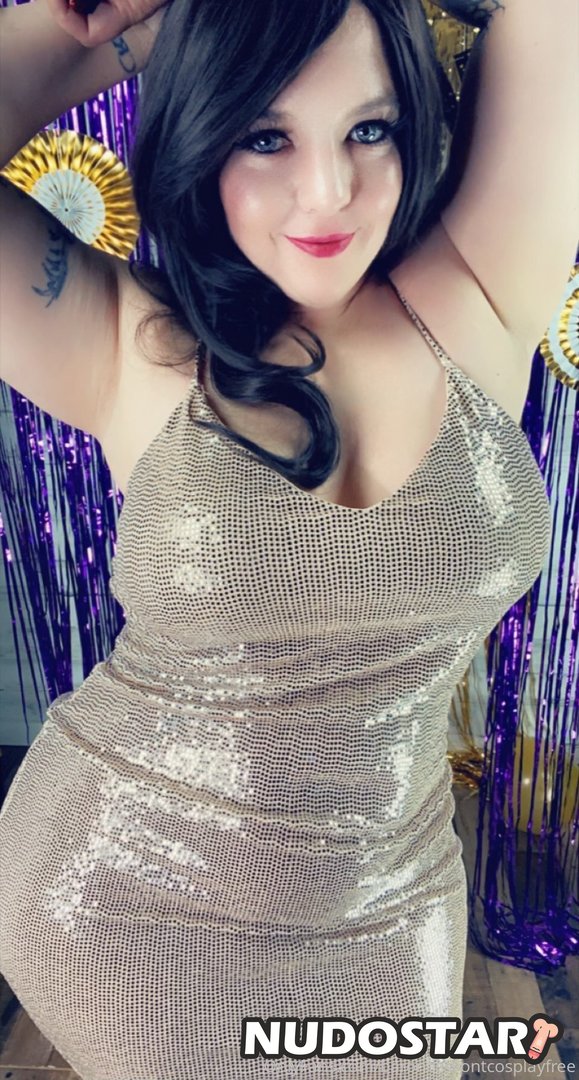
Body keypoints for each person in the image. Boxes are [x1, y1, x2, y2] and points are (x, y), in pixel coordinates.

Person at [0, 0, 575, 1076]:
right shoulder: (126, 341)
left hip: (392, 903)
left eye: (370, 130)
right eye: (266, 136)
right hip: (123, 899)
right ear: (205, 126)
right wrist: (158, 20)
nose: (329, 192)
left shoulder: (479, 293)